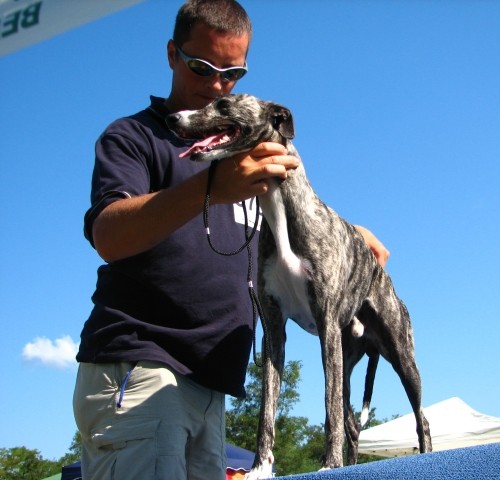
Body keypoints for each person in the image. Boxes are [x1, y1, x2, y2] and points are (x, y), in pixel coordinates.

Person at [73, 1, 389, 479]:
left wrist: (349, 231)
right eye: (203, 67)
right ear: (172, 55)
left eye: (233, 73)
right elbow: (109, 234)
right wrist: (212, 189)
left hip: (213, 386)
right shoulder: (134, 138)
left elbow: (294, 223)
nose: (217, 85)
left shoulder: (241, 152)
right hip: (141, 368)